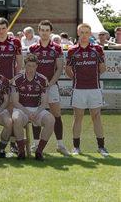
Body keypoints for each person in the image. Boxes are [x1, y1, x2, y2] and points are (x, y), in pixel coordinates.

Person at [66, 23, 108, 157]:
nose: (84, 35)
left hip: (94, 89)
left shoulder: (98, 49)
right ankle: (76, 147)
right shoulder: (72, 50)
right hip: (78, 89)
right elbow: (68, 70)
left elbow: (102, 68)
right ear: (78, 33)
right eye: (82, 32)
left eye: (86, 32)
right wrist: (79, 78)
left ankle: (101, 147)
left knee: (96, 117)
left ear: (90, 34)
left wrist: (91, 77)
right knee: (78, 117)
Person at [28, 20, 69, 156]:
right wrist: (36, 83)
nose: (44, 33)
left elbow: (59, 68)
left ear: (51, 32)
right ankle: (35, 144)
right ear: (38, 31)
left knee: (56, 115)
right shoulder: (33, 48)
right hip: (35, 87)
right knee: (35, 115)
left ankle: (60, 144)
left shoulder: (57, 48)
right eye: (42, 30)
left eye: (47, 30)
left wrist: (49, 84)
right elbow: (30, 68)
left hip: (51, 86)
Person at [0, 17, 23, 152]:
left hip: (11, 82)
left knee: (11, 113)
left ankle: (12, 144)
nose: (1, 31)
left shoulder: (15, 42)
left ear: (7, 28)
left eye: (3, 28)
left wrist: (14, 79)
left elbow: (20, 63)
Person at [11, 54, 55, 161]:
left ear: (37, 66)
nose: (30, 68)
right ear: (24, 66)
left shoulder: (43, 79)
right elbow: (15, 102)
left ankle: (39, 151)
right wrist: (27, 112)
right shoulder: (17, 80)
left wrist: (36, 112)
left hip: (37, 109)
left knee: (51, 120)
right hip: (21, 109)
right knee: (16, 118)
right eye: (28, 66)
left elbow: (44, 103)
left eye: (33, 66)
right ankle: (21, 151)